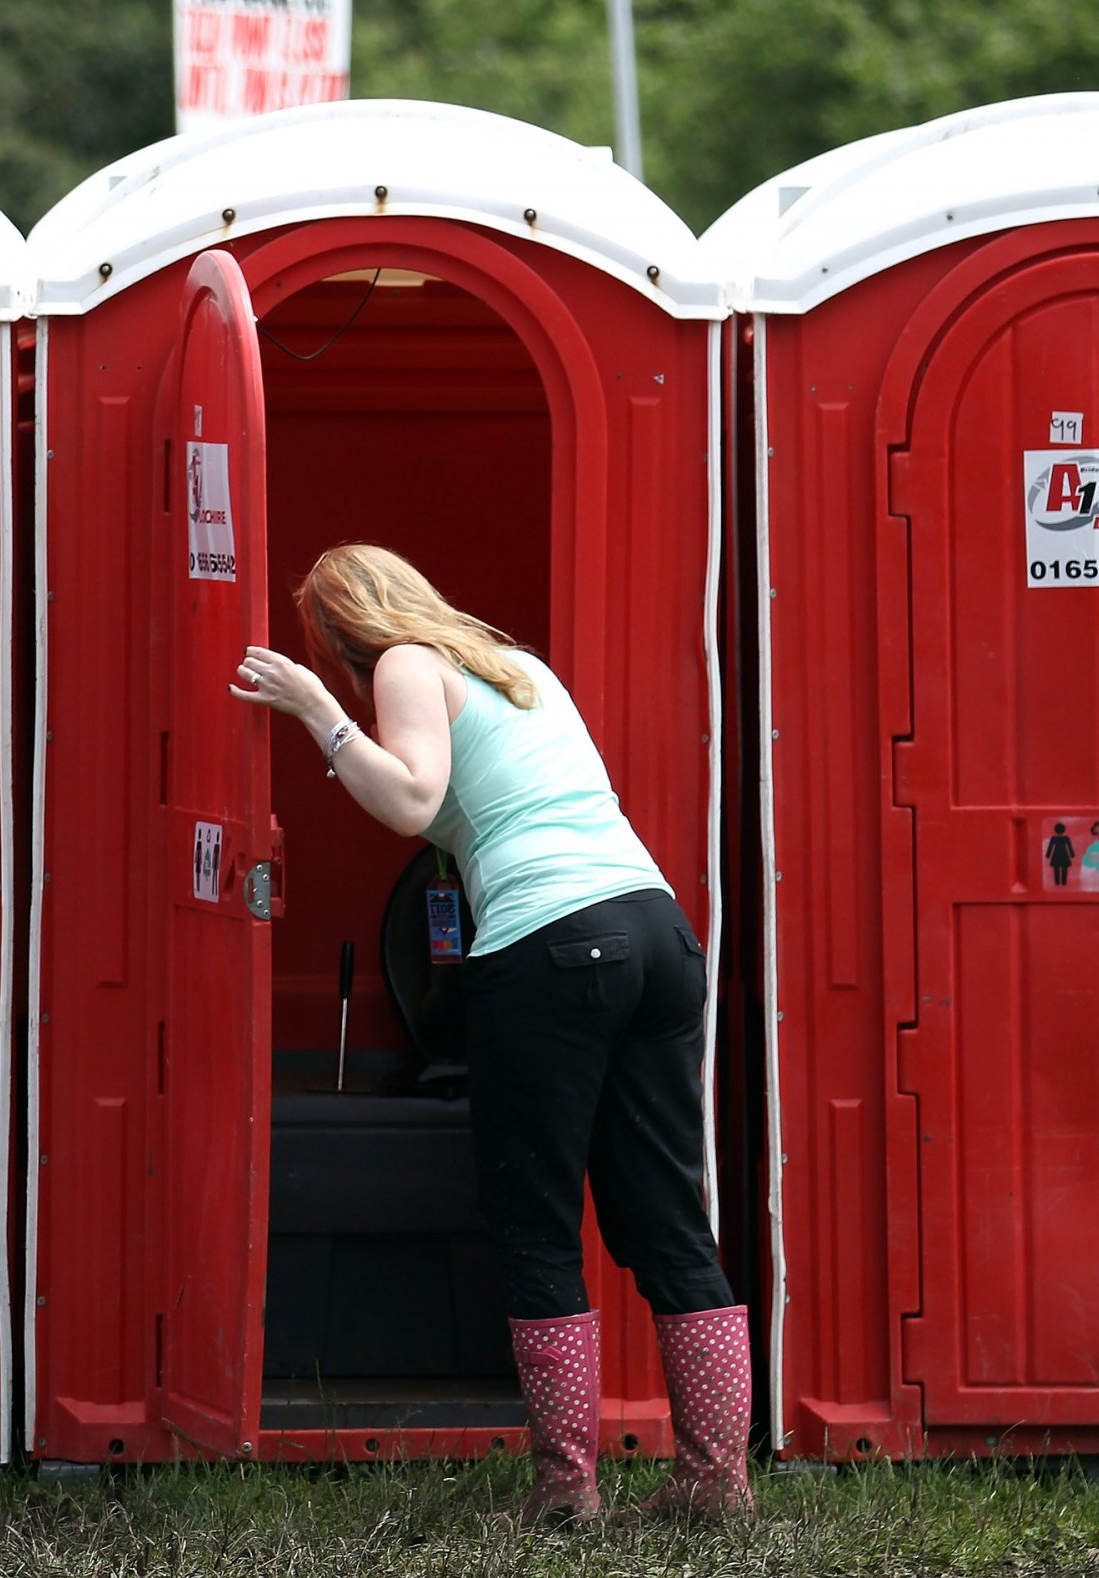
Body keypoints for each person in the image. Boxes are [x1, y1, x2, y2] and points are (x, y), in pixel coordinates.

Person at [230, 543, 750, 1523]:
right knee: (667, 1218)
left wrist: (316, 710)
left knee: (535, 1223)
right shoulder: (516, 669)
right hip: (655, 932)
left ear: (345, 632)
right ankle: (715, 1482)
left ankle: (565, 1494)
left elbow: (411, 802)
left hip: (549, 946)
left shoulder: (401, 664)